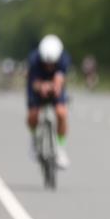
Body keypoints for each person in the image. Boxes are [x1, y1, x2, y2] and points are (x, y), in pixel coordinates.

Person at [27, 35, 71, 169]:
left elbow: (60, 78)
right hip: (37, 83)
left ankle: (61, 149)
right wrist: (41, 87)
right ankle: (34, 141)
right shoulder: (34, 59)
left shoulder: (64, 58)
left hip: (55, 84)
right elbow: (34, 83)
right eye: (46, 63)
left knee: (61, 113)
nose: (49, 66)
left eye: (52, 63)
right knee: (33, 113)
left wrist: (55, 87)